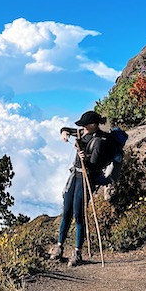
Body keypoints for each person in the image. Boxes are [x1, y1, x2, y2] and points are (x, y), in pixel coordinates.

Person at [50, 110, 108, 267]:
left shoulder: (98, 141)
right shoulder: (83, 133)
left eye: (85, 125)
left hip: (85, 178)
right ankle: (59, 247)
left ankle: (77, 252)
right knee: (67, 211)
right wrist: (63, 132)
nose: (82, 128)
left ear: (93, 125)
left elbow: (95, 165)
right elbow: (67, 129)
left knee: (78, 214)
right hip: (74, 176)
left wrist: (85, 159)